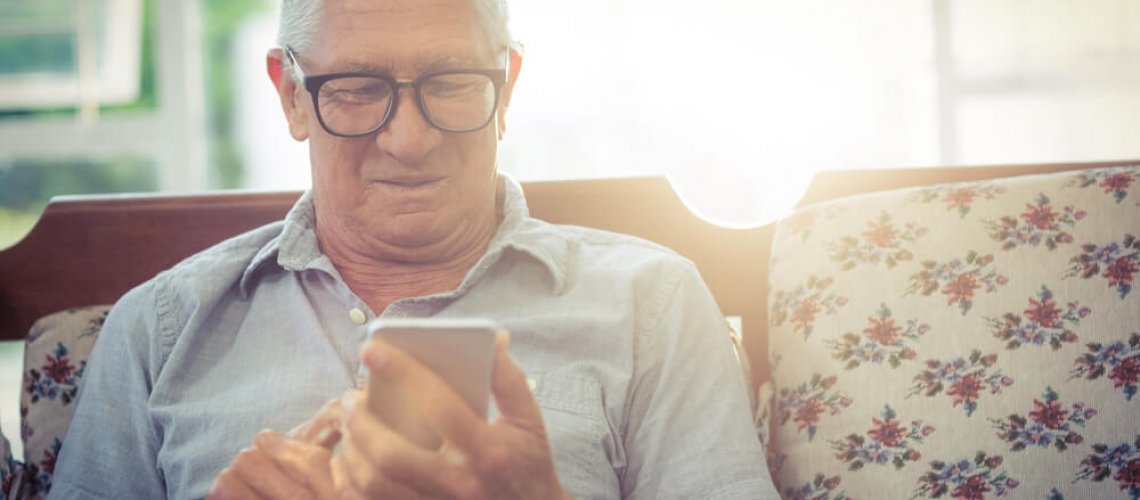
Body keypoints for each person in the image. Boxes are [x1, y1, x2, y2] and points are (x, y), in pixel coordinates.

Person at [50, 0, 779, 498]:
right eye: (359, 88)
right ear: (292, 97)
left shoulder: (651, 305)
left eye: (453, 83)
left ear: (509, 85)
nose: (410, 140)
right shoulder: (159, 331)